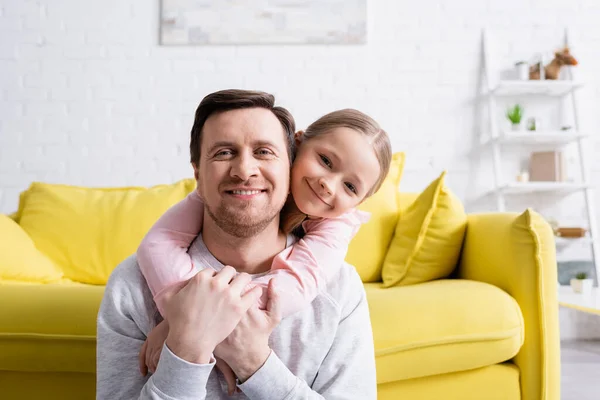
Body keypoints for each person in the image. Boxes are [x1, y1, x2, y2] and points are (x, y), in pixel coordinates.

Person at [96, 89, 382, 399]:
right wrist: (187, 344)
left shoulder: (340, 289)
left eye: (264, 152)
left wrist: (255, 363)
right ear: (198, 174)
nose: (244, 170)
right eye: (223, 152)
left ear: (289, 165)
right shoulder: (131, 285)